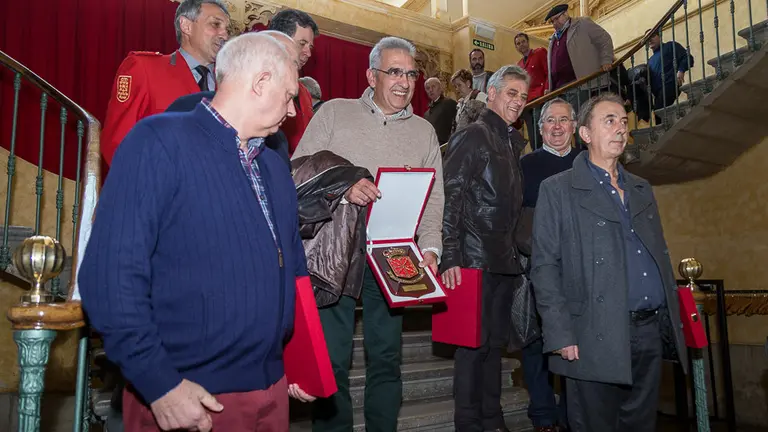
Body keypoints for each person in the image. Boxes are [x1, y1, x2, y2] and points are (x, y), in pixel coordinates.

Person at [79, 32, 309, 432]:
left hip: (271, 390)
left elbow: (291, 269)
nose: (292, 110)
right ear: (260, 83)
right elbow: (110, 278)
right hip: (189, 394)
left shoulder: (274, 166)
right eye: (289, 95)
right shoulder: (157, 142)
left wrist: (298, 363)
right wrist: (159, 384)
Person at [292, 36, 444, 432]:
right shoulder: (334, 114)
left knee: (386, 359)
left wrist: (430, 248)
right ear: (371, 75)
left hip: (392, 255)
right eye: (394, 71)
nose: (404, 81)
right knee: (332, 359)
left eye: (411, 73)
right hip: (336, 252)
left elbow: (433, 198)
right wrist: (343, 187)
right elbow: (298, 171)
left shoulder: (425, 132)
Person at [531, 93, 687, 432]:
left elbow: (658, 255)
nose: (620, 129)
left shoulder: (641, 188)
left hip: (647, 332)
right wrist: (559, 333)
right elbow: (544, 267)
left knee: (640, 425)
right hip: (591, 334)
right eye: (609, 121)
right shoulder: (558, 190)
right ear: (585, 134)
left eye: (623, 122)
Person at [441, 65, 530, 432]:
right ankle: (468, 425)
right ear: (490, 93)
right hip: (473, 261)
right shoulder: (474, 135)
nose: (519, 102)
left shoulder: (510, 142)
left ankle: (493, 421)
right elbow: (451, 196)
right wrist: (450, 256)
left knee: (494, 350)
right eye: (512, 93)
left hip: (503, 263)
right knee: (472, 351)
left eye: (523, 97)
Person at [518, 98, 582, 432]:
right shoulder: (525, 166)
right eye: (549, 121)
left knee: (577, 342)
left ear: (574, 126)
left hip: (582, 271)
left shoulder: (589, 163)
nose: (556, 127)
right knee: (535, 342)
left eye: (563, 120)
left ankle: (574, 415)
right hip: (535, 268)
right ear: (539, 127)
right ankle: (542, 414)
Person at [101, 0, 230, 165]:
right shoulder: (144, 68)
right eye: (215, 24)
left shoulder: (230, 83)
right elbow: (117, 142)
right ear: (186, 26)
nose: (224, 35)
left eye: (227, 29)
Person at [268, 9, 320, 155]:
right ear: (280, 40)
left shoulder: (304, 92)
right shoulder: (262, 83)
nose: (308, 53)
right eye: (302, 43)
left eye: (310, 47)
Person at [544, 4, 613, 95]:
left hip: (582, 85)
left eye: (557, 19)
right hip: (559, 91)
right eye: (552, 21)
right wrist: (550, 88)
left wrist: (606, 60)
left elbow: (604, 39)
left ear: (565, 14)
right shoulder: (552, 39)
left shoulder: (582, 24)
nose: (554, 23)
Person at [647, 28, 694, 113]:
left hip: (670, 84)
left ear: (660, 36)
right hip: (658, 93)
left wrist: (681, 70)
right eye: (647, 38)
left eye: (652, 36)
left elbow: (687, 57)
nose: (649, 39)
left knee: (659, 111)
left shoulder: (670, 46)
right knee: (658, 112)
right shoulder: (650, 60)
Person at [515, 32, 549, 147]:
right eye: (518, 43)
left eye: (523, 41)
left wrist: (547, 88)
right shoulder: (519, 65)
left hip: (540, 99)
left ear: (528, 42)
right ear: (516, 47)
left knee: (542, 133)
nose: (521, 45)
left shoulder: (539, 53)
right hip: (527, 105)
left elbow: (548, 72)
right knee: (533, 138)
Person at [451, 68, 488, 134]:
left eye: (459, 85)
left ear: (468, 83)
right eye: (455, 86)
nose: (457, 89)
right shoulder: (460, 104)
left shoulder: (480, 97)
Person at [424, 77, 458, 144]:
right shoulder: (426, 114)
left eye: (433, 86)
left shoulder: (449, 103)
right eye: (428, 88)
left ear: (440, 88)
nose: (430, 90)